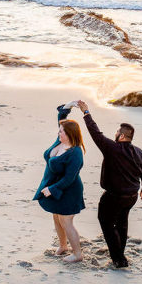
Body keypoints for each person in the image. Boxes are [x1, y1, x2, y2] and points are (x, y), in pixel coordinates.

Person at [77, 100, 142, 268]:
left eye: (117, 132)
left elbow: (95, 133)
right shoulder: (139, 152)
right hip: (132, 196)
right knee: (122, 222)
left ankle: (118, 258)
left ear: (123, 136)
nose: (115, 134)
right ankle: (120, 252)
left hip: (114, 197)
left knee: (106, 221)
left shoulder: (112, 148)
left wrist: (86, 113)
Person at [32, 104, 86, 263]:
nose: (58, 132)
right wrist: (67, 107)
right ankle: (63, 246)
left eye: (61, 131)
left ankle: (77, 254)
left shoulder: (75, 153)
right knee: (56, 217)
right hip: (53, 185)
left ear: (69, 134)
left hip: (68, 190)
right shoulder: (60, 141)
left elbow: (70, 178)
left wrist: (53, 188)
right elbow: (62, 120)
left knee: (66, 221)